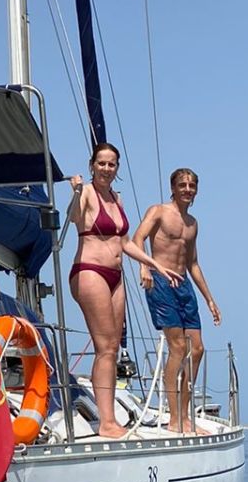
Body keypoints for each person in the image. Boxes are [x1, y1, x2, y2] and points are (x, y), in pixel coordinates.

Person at [68, 143, 181, 438]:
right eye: (102, 163)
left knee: (113, 347)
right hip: (90, 271)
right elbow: (74, 219)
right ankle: (106, 422)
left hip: (116, 276)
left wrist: (154, 264)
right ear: (92, 165)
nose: (107, 169)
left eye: (112, 164)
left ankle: (109, 418)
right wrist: (77, 192)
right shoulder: (88, 193)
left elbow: (126, 242)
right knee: (104, 347)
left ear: (117, 169)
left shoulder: (116, 198)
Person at [132, 167, 222, 434]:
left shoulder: (192, 223)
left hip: (183, 285)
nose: (187, 189)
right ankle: (174, 419)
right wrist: (144, 267)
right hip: (160, 280)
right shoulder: (158, 211)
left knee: (197, 350)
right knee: (178, 349)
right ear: (172, 188)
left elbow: (193, 262)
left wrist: (209, 299)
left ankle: (184, 416)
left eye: (192, 185)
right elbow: (137, 239)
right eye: (182, 185)